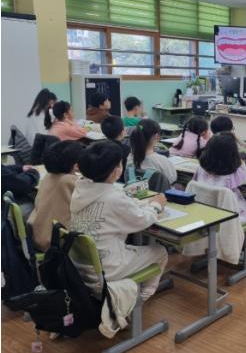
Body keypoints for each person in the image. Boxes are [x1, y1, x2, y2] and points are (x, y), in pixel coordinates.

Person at [71, 141, 168, 300]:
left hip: (81, 266)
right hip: (107, 268)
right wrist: (156, 206)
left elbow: (124, 205)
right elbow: (142, 220)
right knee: (160, 251)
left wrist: (147, 202)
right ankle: (139, 298)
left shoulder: (81, 189)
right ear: (116, 171)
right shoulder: (113, 198)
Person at [193, 134, 246, 261]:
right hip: (228, 218)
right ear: (233, 154)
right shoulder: (234, 173)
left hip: (205, 214)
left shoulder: (200, 168)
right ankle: (242, 248)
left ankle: (218, 246)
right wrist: (241, 163)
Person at [27, 141, 83, 251]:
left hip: (36, 235)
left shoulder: (49, 176)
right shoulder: (69, 181)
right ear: (76, 165)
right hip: (54, 243)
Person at [128, 119, 177, 185]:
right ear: (156, 136)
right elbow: (172, 180)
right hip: (159, 192)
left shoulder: (129, 158)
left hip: (133, 190)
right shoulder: (162, 161)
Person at [101, 116, 131, 183]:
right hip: (120, 181)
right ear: (122, 132)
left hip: (102, 179)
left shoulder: (99, 147)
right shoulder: (126, 149)